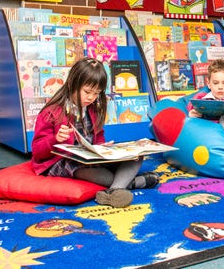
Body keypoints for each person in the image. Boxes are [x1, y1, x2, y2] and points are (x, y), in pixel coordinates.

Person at [31, 57, 159, 208]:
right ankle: (129, 184)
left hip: (91, 158)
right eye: (87, 92)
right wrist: (55, 139)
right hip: (64, 162)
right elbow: (38, 151)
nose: (91, 97)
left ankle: (114, 190)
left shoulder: (93, 109)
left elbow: (98, 137)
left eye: (96, 93)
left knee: (136, 157)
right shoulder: (51, 112)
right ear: (73, 84)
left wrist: (104, 148)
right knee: (98, 175)